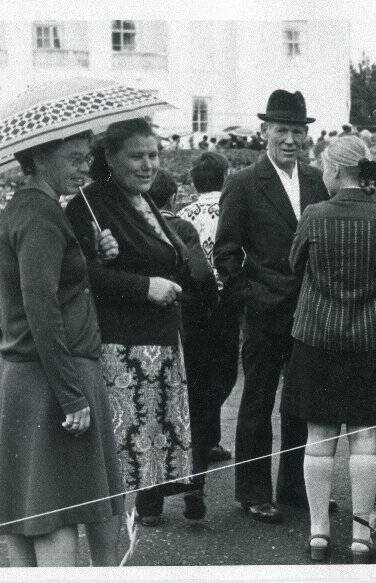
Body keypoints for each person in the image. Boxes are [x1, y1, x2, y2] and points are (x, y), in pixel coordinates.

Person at [0, 130, 123, 567]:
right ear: (40, 156)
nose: (86, 167)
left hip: (31, 375)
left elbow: (56, 287)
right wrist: (70, 393)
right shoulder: (40, 215)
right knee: (53, 513)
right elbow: (40, 309)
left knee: (31, 511)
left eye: (88, 158)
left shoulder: (35, 209)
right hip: (50, 378)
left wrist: (91, 255)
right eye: (75, 159)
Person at [65, 119, 194, 528]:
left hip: (158, 347)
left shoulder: (144, 199)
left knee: (143, 474)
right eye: (136, 156)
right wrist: (143, 287)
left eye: (153, 155)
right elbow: (79, 277)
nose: (148, 164)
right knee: (122, 469)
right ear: (110, 158)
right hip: (124, 352)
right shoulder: (90, 204)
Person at [285, 137, 376, 562]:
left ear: (334, 169)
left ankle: (318, 534)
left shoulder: (314, 216)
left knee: (318, 438)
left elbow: (293, 266)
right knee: (365, 439)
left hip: (318, 338)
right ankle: (361, 536)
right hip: (373, 340)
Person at [214, 89, 329, 524]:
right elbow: (226, 254)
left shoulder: (317, 180)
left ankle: (296, 488)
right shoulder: (243, 183)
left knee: (301, 403)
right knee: (258, 401)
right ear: (265, 132)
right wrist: (250, 296)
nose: (290, 139)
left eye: (297, 131)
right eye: (282, 130)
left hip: (310, 312)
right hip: (264, 312)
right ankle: (252, 491)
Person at [148, 170, 219, 523]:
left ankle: (148, 504)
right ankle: (193, 492)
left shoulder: (134, 226)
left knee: (152, 409)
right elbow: (203, 277)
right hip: (188, 331)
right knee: (193, 410)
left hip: (145, 333)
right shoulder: (181, 229)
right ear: (173, 198)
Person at [177, 151, 238, 463]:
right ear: (225, 175)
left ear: (193, 181)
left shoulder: (184, 214)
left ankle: (200, 437)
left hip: (195, 300)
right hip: (227, 296)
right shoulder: (231, 208)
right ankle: (209, 438)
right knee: (225, 366)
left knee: (198, 368)